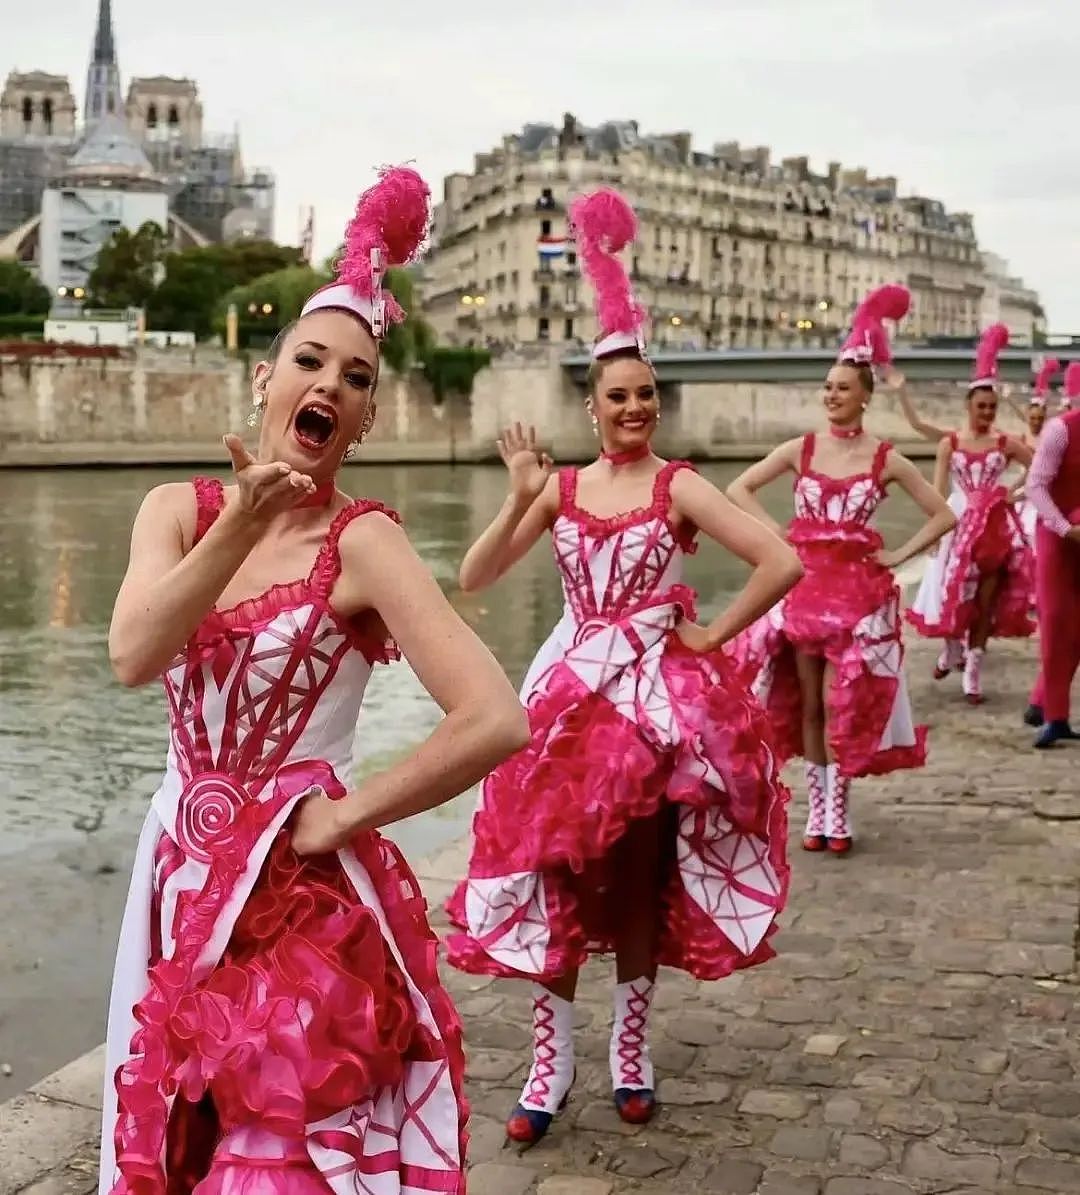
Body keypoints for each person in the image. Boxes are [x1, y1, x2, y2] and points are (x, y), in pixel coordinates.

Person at [98, 167, 529, 1195]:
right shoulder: (175, 509)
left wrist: (345, 817)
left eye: (359, 376)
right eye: (311, 361)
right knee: (172, 1135)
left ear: (369, 416)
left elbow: (495, 717)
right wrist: (241, 520)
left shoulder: (364, 542)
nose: (332, 385)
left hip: (298, 895)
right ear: (266, 377)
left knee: (276, 1156)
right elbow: (132, 654)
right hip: (175, 874)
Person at [445, 188, 801, 1146]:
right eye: (619, 396)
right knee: (552, 870)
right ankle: (549, 1059)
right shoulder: (560, 488)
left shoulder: (680, 483)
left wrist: (710, 635)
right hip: (565, 694)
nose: (636, 407)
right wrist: (520, 496)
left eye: (647, 394)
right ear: (592, 407)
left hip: (651, 703)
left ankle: (629, 1051)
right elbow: (475, 576)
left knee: (639, 877)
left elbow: (782, 561)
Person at [728, 285, 956, 855]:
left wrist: (901, 556)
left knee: (840, 702)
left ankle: (840, 810)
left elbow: (944, 513)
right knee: (806, 702)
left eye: (842, 388)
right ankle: (817, 814)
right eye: (827, 388)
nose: (831, 395)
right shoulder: (800, 449)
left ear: (863, 397)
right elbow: (739, 487)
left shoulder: (885, 458)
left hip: (857, 598)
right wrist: (777, 535)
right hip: (804, 591)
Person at [906, 325, 1033, 702]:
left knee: (986, 600)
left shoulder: (1005, 442)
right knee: (953, 592)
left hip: (993, 525)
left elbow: (1043, 464)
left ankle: (973, 670)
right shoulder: (951, 443)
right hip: (958, 521)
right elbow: (936, 492)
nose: (987, 413)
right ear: (968, 406)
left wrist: (1015, 492)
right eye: (981, 406)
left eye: (992, 407)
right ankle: (953, 648)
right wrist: (933, 535)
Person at [1025, 369, 1080, 747]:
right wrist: (1064, 528)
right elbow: (1035, 485)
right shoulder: (1060, 430)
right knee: (1057, 620)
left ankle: (1045, 704)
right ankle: (1054, 716)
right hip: (1057, 535)